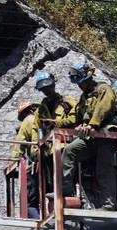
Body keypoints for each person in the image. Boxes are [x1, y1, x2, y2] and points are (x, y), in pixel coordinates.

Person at [59, 62, 117, 210]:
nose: (80, 85)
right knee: (69, 151)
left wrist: (92, 124)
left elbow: (102, 108)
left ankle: (108, 205)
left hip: (105, 134)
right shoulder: (83, 97)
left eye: (82, 82)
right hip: (89, 137)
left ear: (89, 78)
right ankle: (65, 192)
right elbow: (76, 116)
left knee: (104, 168)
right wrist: (57, 123)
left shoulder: (103, 89)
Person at [33, 71, 77, 199]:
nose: (47, 90)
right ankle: (56, 203)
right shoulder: (41, 109)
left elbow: (76, 117)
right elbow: (36, 129)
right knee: (50, 181)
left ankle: (69, 197)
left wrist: (56, 123)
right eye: (44, 89)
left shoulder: (67, 102)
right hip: (48, 150)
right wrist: (36, 148)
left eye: (49, 87)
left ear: (53, 85)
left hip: (65, 144)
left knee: (65, 175)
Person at [7, 101, 41, 219]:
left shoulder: (28, 120)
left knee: (29, 202)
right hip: (51, 162)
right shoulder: (46, 119)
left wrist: (12, 163)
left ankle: (36, 224)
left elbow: (20, 144)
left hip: (36, 164)